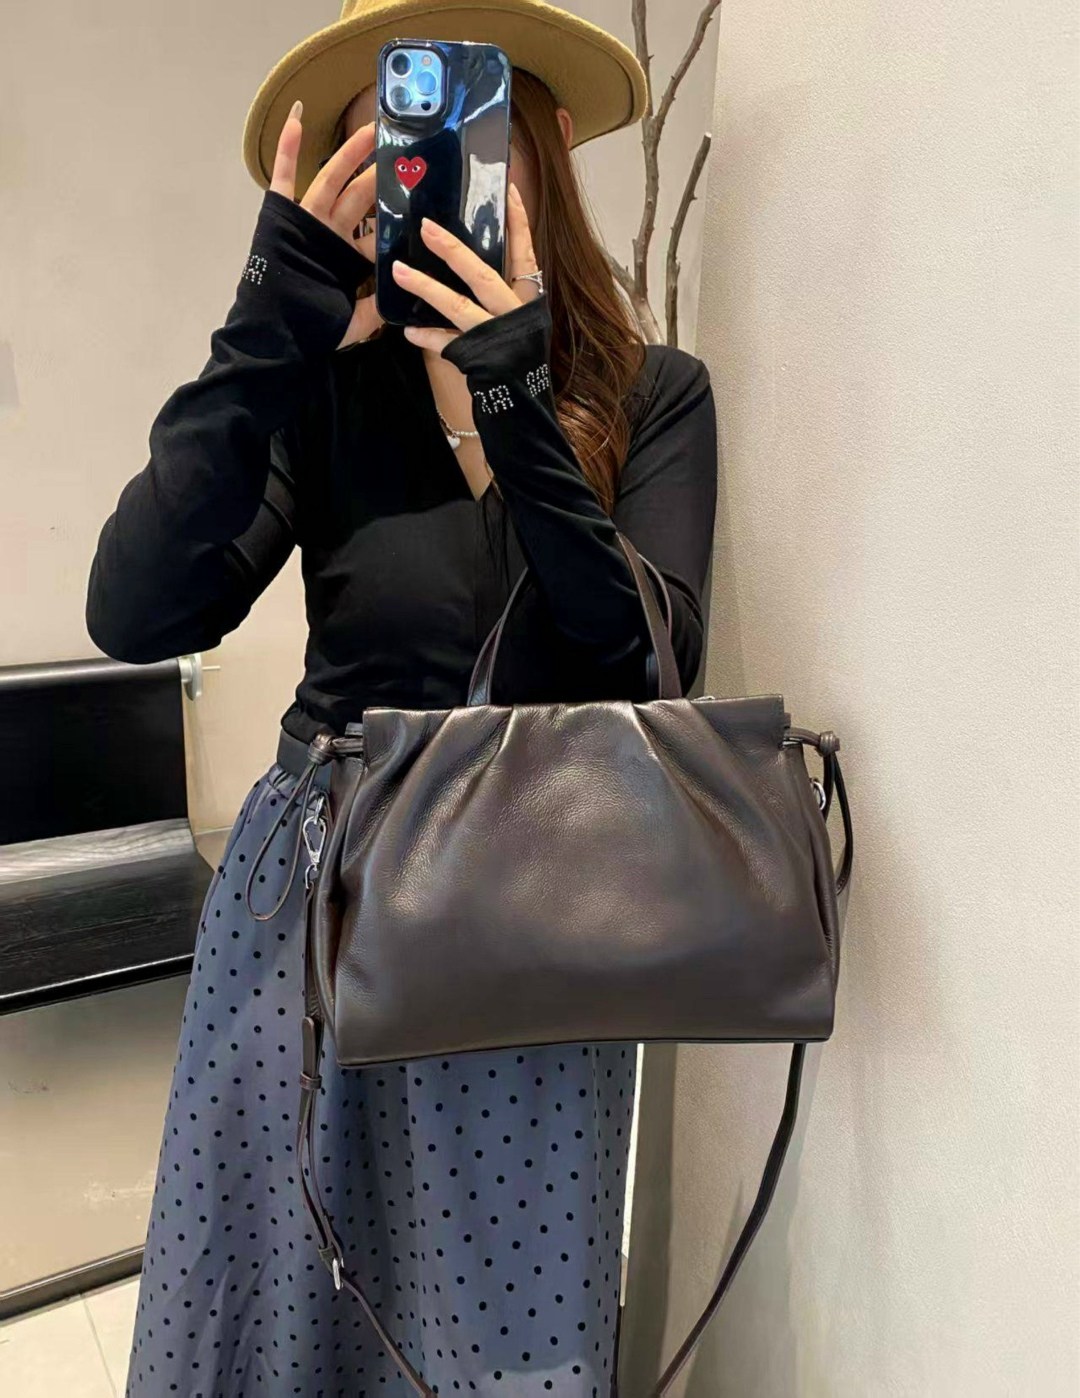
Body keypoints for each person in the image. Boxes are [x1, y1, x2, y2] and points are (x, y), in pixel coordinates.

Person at [86, 2, 717, 1392]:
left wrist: (508, 395)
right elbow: (135, 612)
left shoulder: (654, 396)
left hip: (539, 917)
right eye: (387, 140)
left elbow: (644, 663)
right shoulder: (324, 390)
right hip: (311, 909)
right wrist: (269, 332)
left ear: (542, 149)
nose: (420, 167)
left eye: (460, 127)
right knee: (275, 1300)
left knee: (498, 1324)